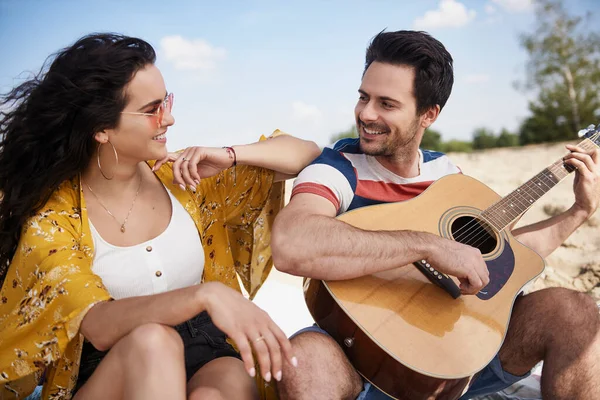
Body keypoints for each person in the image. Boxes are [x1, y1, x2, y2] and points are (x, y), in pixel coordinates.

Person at [271, 30, 600, 400]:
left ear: (428, 114)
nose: (366, 113)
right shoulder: (338, 168)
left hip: (451, 365)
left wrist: (580, 211)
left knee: (574, 310)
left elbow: (508, 256)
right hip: (352, 355)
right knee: (303, 359)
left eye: (387, 103)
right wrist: (426, 246)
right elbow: (291, 245)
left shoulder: (447, 176)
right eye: (363, 97)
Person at [0, 33, 321, 400]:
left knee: (221, 389)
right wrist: (205, 295)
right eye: (152, 108)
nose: (169, 117)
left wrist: (231, 155)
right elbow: (100, 325)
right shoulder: (55, 219)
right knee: (154, 342)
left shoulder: (187, 179)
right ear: (101, 129)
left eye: (166, 100)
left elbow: (306, 154)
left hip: (204, 347)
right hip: (108, 370)